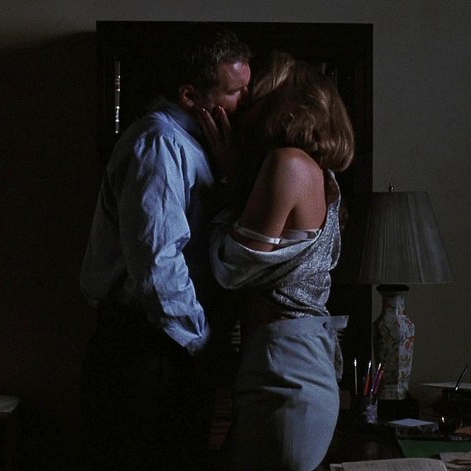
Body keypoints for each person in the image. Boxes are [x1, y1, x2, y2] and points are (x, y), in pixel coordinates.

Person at [78, 24, 251, 471]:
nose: (245, 100)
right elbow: (158, 267)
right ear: (190, 96)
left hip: (162, 344)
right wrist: (203, 345)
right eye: (234, 91)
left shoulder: (191, 144)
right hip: (146, 348)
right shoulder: (159, 144)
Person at [202, 51, 355, 471]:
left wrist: (226, 184)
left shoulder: (288, 162)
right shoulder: (314, 170)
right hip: (283, 364)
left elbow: (231, 268)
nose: (241, 103)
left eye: (253, 94)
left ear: (284, 102)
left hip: (287, 368)